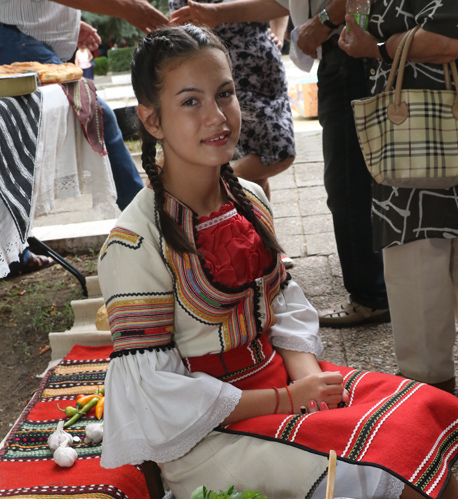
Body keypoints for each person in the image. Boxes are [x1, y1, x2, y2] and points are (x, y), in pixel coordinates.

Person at [98, 25, 458, 499]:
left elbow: (283, 300)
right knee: (377, 464)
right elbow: (155, 400)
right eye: (190, 102)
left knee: (418, 409)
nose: (217, 116)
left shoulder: (249, 201)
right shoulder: (134, 244)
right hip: (204, 435)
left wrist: (306, 378)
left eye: (227, 93)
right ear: (152, 121)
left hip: (282, 385)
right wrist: (287, 400)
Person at [171, 0, 390, 327]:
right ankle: (263, 252)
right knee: (344, 181)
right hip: (318, 54)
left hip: (324, 52)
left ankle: (371, 294)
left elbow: (282, 5)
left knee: (336, 178)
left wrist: (315, 22)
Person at [338, 0, 458, 392]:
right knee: (444, 235)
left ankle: (427, 381)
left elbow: (449, 37)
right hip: (441, 112)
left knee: (411, 240)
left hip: (432, 114)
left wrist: (376, 49)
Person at [0, 0, 170, 274]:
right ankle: (155, 228)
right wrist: (130, 8)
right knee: (97, 115)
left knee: (17, 141)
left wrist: (67, 27)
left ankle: (15, 253)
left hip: (21, 33)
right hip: (15, 35)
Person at [168, 1, 295, 199]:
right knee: (276, 152)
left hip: (265, 71)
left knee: (259, 170)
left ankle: (258, 227)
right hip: (222, 72)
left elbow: (283, 3)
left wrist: (277, 35)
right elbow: (182, 24)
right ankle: (207, 193)